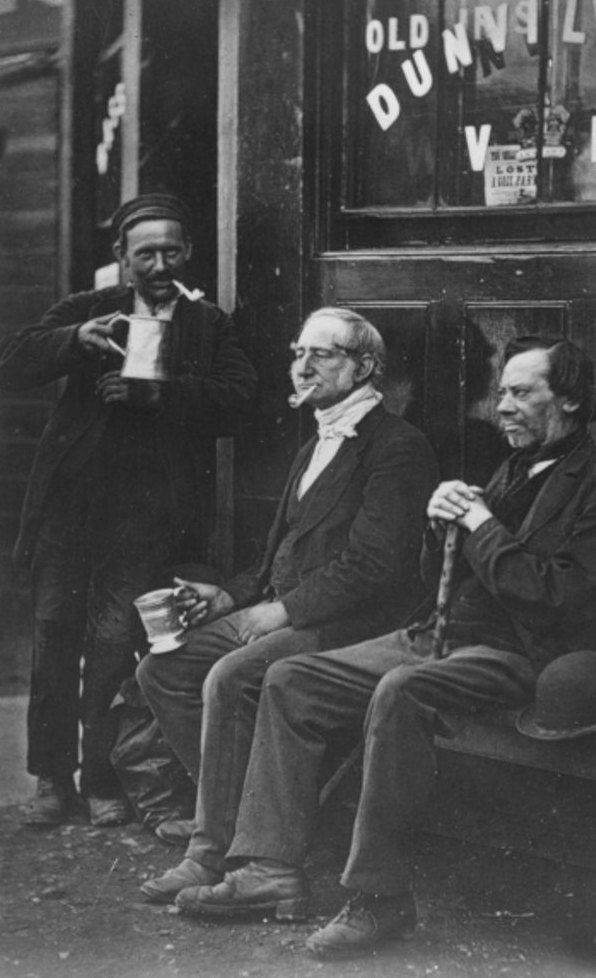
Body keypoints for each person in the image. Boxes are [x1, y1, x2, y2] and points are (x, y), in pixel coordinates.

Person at [147, 334, 596, 960]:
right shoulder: (515, 468)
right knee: (291, 678)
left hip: (523, 654)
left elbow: (555, 596)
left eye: (522, 393)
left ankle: (380, 898)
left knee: (402, 689)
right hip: (440, 635)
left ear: (569, 401)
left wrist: (479, 525)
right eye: (501, 393)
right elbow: (441, 576)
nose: (502, 407)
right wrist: (439, 529)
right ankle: (271, 870)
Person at [137, 306, 438, 900]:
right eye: (298, 354)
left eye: (320, 355)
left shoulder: (398, 447)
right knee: (165, 669)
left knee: (231, 676)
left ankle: (219, 851)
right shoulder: (313, 444)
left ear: (363, 367)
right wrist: (230, 595)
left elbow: (375, 567)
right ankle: (238, 825)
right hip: (288, 610)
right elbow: (281, 549)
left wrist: (282, 611)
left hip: (353, 625)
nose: (302, 367)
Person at [0, 193, 258, 828]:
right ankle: (52, 779)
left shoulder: (207, 325)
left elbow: (240, 400)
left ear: (188, 251)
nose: (160, 265)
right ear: (122, 256)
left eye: (171, 251)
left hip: (145, 515)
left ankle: (101, 778)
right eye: (146, 254)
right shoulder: (91, 309)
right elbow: (10, 361)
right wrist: (72, 340)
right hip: (69, 505)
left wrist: (162, 395)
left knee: (115, 643)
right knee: (55, 635)